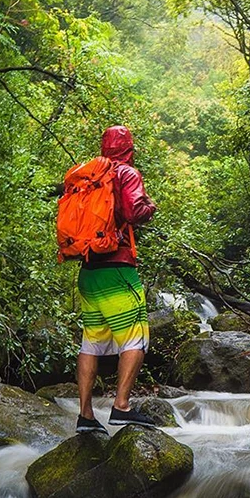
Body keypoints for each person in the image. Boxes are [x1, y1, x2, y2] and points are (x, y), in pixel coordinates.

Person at [75, 125, 157, 434]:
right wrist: (150, 206)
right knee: (136, 338)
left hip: (88, 271)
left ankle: (85, 415)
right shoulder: (126, 173)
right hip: (117, 269)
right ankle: (121, 406)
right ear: (129, 149)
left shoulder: (89, 175)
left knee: (91, 343)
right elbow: (135, 211)